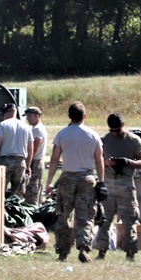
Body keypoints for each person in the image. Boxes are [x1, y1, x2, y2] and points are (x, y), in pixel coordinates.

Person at [45, 101, 105, 263]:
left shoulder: (62, 134)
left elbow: (54, 158)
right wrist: (101, 182)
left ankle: (63, 252)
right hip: (87, 178)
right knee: (85, 215)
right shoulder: (93, 135)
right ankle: (84, 247)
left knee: (64, 214)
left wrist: (49, 181)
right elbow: (99, 160)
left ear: (69, 116)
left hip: (67, 178)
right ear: (84, 116)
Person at [96, 113, 141, 261]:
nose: (114, 133)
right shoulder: (104, 140)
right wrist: (106, 162)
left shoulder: (134, 140)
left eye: (117, 130)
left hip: (126, 183)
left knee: (129, 220)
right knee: (105, 219)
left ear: (123, 125)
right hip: (109, 182)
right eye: (112, 130)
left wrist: (127, 162)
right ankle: (101, 251)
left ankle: (130, 252)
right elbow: (96, 161)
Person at [0, 103, 33, 196]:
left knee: (0, 191)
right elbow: (30, 149)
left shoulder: (2, 125)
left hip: (6, 161)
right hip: (21, 162)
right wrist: (28, 166)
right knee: (17, 194)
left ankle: (1, 210)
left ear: (7, 114)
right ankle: (15, 210)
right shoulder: (26, 127)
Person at [23, 106, 48, 205]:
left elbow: (34, 148)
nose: (28, 118)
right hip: (35, 161)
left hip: (35, 162)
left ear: (37, 116)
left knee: (33, 190)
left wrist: (28, 163)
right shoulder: (35, 128)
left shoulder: (37, 129)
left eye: (30, 116)